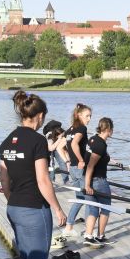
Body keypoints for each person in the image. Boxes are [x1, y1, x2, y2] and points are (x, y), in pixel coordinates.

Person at [0, 91, 66, 259]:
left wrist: (13, 200)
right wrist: (58, 208)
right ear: (39, 116)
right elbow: (43, 180)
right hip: (35, 209)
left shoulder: (7, 141)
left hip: (14, 207)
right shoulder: (38, 141)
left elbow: (4, 180)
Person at [61, 103, 92, 238]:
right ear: (79, 115)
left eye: (90, 116)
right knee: (90, 199)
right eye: (87, 116)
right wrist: (80, 160)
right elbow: (74, 144)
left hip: (73, 169)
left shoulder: (69, 130)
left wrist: (68, 160)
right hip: (79, 168)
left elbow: (60, 147)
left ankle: (69, 227)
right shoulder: (82, 128)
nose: (89, 119)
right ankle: (88, 231)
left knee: (80, 199)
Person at [82, 117, 114, 247]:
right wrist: (87, 185)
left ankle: (88, 236)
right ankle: (100, 236)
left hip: (89, 178)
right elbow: (90, 165)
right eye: (112, 130)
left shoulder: (93, 139)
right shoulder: (101, 144)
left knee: (93, 208)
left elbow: (97, 156)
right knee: (106, 208)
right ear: (109, 130)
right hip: (98, 181)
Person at [43, 120, 69, 184]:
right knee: (52, 164)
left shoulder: (61, 132)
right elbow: (50, 148)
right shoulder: (49, 135)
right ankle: (52, 181)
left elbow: (64, 148)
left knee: (62, 162)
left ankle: (66, 180)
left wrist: (67, 160)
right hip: (48, 151)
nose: (59, 128)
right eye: (58, 127)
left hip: (56, 148)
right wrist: (59, 139)